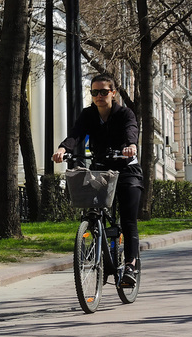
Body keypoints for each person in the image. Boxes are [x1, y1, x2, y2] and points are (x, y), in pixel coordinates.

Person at [52, 73, 143, 285]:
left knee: (129, 220)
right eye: (95, 92)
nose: (99, 96)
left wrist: (131, 146)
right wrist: (63, 148)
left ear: (113, 93)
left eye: (103, 92)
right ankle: (100, 258)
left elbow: (131, 130)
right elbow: (76, 134)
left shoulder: (125, 113)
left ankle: (130, 264)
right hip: (101, 170)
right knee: (94, 212)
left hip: (127, 170)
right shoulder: (88, 114)